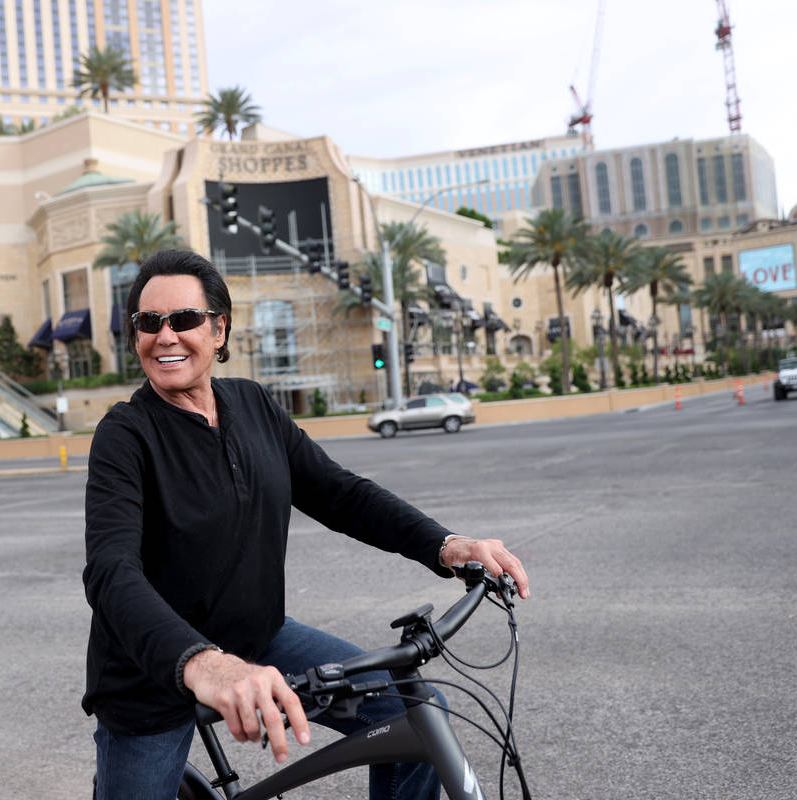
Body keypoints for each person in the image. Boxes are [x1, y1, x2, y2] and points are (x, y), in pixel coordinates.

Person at [82, 249, 530, 800]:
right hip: (149, 672)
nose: (166, 336)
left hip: (259, 635)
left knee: (416, 713)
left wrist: (445, 545)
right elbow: (111, 570)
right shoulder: (125, 436)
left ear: (219, 329)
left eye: (185, 320)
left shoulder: (251, 404)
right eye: (149, 324)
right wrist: (205, 663)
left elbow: (340, 493)